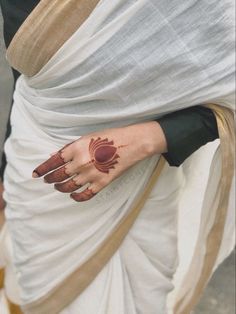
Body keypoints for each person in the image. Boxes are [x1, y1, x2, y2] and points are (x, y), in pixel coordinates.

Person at [0, 1, 235, 313]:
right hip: (38, 167)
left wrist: (150, 138)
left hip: (146, 178)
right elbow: (28, 83)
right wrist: (5, 167)